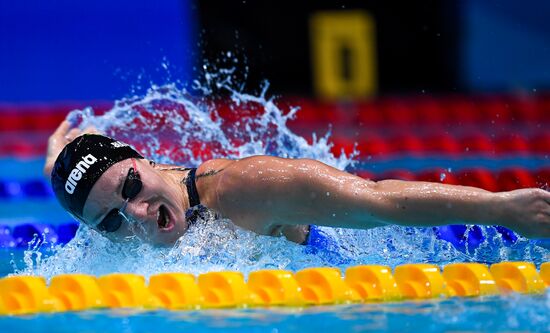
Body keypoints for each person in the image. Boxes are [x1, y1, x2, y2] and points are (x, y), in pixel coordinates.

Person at [44, 120, 550, 247]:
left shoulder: (246, 189)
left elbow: (379, 202)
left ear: (144, 158)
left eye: (131, 187)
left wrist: (502, 209)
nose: (133, 215)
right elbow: (71, 178)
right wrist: (55, 157)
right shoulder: (106, 205)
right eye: (109, 219)